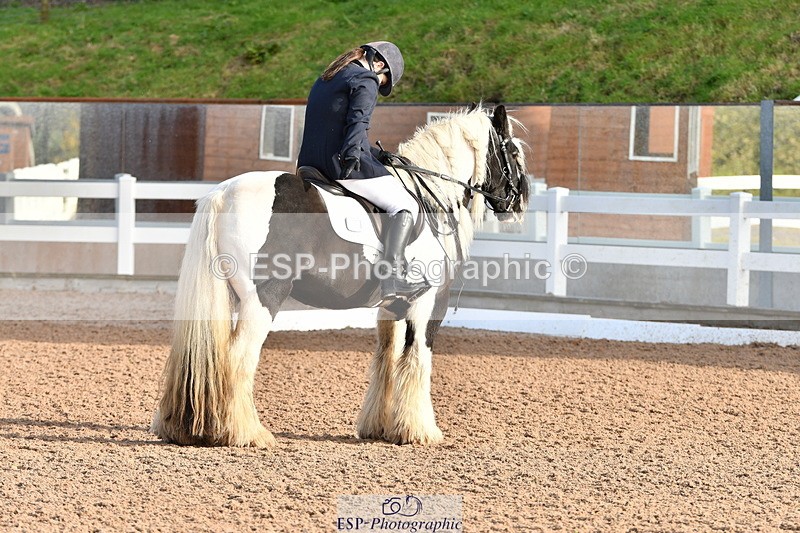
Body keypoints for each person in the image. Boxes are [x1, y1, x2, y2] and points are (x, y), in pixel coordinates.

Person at [297, 41, 428, 302]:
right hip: (339, 165)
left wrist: (380, 155)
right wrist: (355, 154)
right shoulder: (366, 78)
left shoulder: (326, 77)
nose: (379, 84)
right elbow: (358, 123)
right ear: (379, 64)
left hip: (309, 163)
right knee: (405, 205)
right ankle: (393, 279)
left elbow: (335, 126)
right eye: (384, 80)